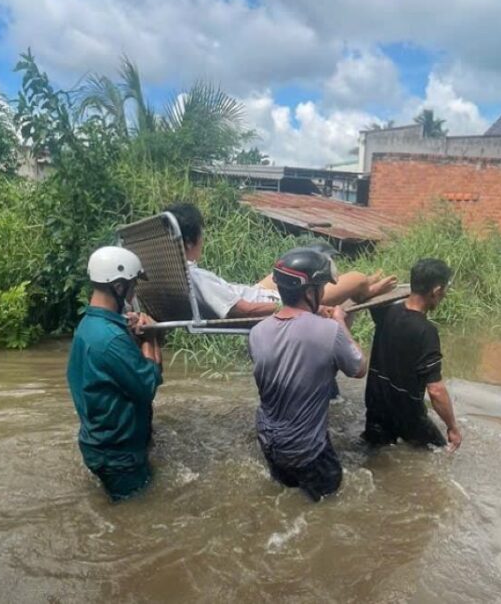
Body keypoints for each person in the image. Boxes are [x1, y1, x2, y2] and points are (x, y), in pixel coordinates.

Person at [248, 247, 368, 501]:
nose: (324, 292)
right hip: (309, 454)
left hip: (272, 447)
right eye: (322, 287)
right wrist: (340, 323)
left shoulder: (257, 332)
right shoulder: (328, 331)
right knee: (330, 509)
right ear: (311, 292)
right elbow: (359, 368)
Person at [164, 202, 397, 319]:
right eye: (201, 235)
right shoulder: (194, 276)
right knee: (355, 276)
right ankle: (363, 288)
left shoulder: (172, 271)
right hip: (283, 298)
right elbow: (243, 309)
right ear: (188, 243)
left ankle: (361, 284)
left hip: (255, 291)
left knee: (285, 265)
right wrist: (291, 307)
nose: (203, 240)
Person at [66, 246, 163, 501]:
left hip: (99, 446)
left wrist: (132, 336)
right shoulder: (110, 339)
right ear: (119, 287)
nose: (133, 293)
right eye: (132, 286)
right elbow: (148, 385)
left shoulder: (90, 325)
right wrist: (150, 339)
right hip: (119, 456)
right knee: (138, 518)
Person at [362, 258, 462, 453]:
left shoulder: (385, 310)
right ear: (436, 291)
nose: (444, 296)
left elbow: (366, 298)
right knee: (442, 454)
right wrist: (452, 427)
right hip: (408, 416)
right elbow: (435, 390)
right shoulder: (426, 332)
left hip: (376, 409)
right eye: (444, 292)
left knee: (376, 458)